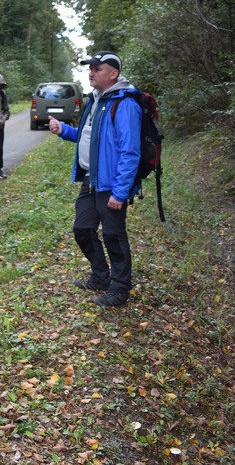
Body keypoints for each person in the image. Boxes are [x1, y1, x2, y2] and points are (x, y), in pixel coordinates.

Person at [49, 52, 141, 308]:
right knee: (82, 229)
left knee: (113, 235)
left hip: (111, 183)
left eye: (97, 69)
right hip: (91, 179)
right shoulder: (96, 101)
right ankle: (101, 275)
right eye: (90, 68)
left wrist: (121, 192)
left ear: (113, 74)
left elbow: (130, 151)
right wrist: (64, 130)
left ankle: (120, 288)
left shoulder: (125, 103)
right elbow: (88, 136)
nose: (91, 72)